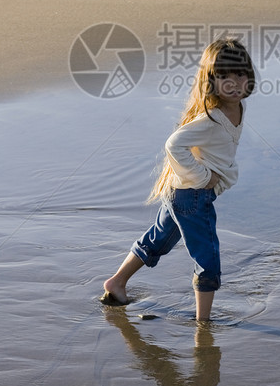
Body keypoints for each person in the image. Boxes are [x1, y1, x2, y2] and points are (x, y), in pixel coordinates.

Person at [101, 36, 256, 321]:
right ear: (211, 81)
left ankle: (117, 283)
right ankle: (204, 324)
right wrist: (201, 177)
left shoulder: (238, 108)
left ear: (249, 76)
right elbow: (174, 144)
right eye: (225, 78)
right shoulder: (211, 118)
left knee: (158, 240)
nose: (234, 83)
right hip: (192, 197)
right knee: (207, 257)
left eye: (240, 74)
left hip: (181, 192)